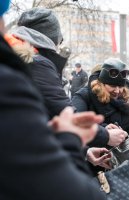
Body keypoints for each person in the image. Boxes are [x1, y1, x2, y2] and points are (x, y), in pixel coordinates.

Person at [0, 1, 107, 199]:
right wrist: (78, 139)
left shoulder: (19, 62)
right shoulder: (28, 67)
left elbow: (27, 139)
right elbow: (72, 191)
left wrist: (82, 150)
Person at [9, 7, 72, 119]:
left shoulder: (11, 54)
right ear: (50, 39)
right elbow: (64, 110)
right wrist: (105, 134)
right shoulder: (38, 63)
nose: (59, 45)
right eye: (60, 40)